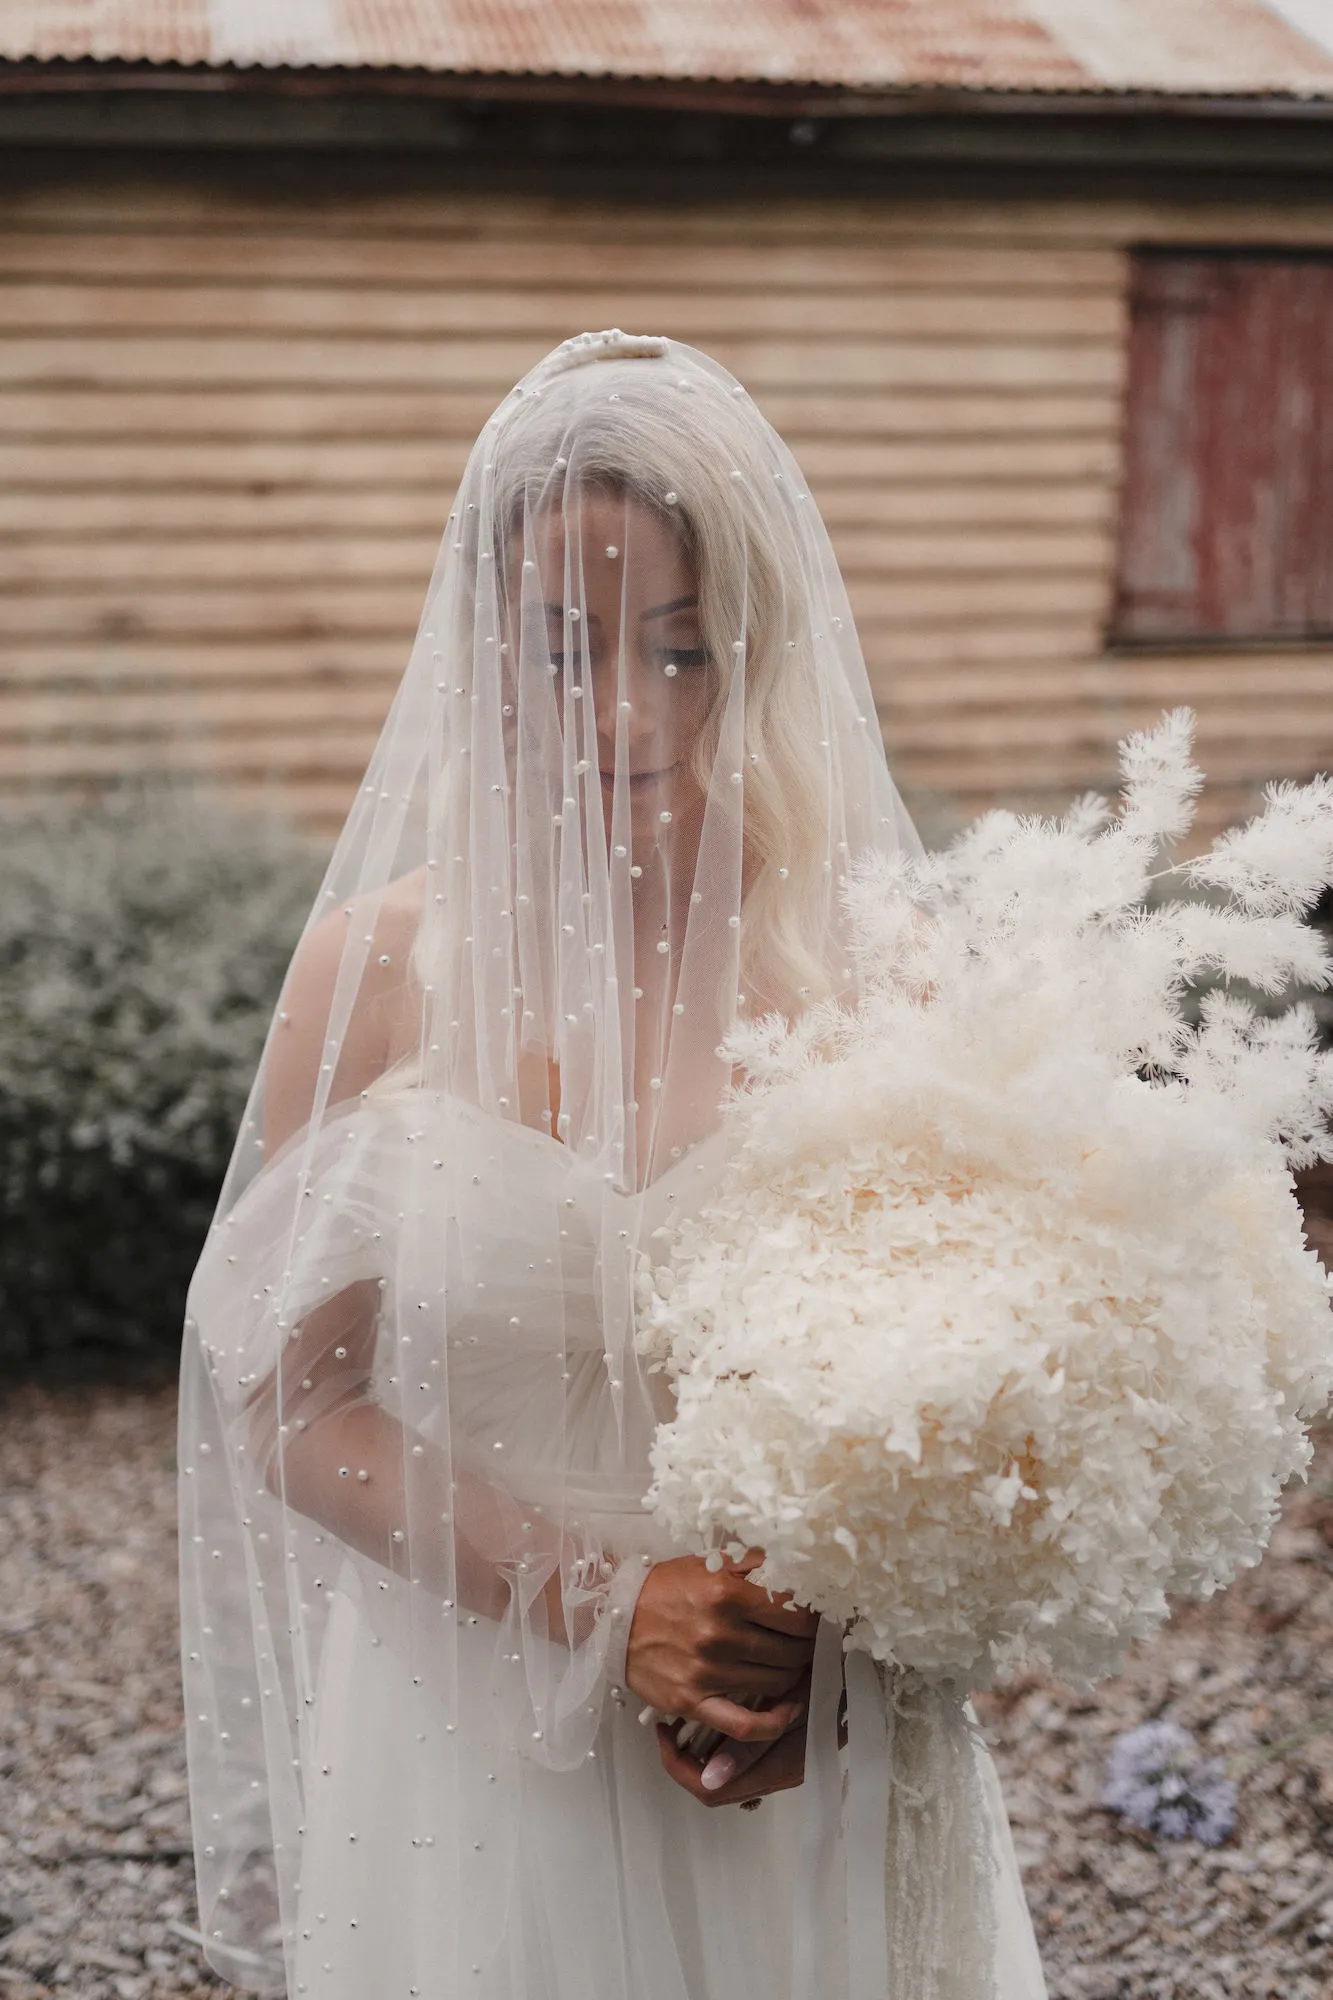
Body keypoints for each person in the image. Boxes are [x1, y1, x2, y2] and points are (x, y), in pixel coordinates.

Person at [179, 330, 1047, 2000]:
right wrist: (598, 1605)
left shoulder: (876, 975)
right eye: (564, 651)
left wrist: (834, 1630)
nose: (627, 716)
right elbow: (287, 1402)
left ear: (760, 649)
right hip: (477, 1730)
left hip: (807, 1718)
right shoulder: (380, 973)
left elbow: (970, 1388)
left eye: (686, 649)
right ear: (484, 652)